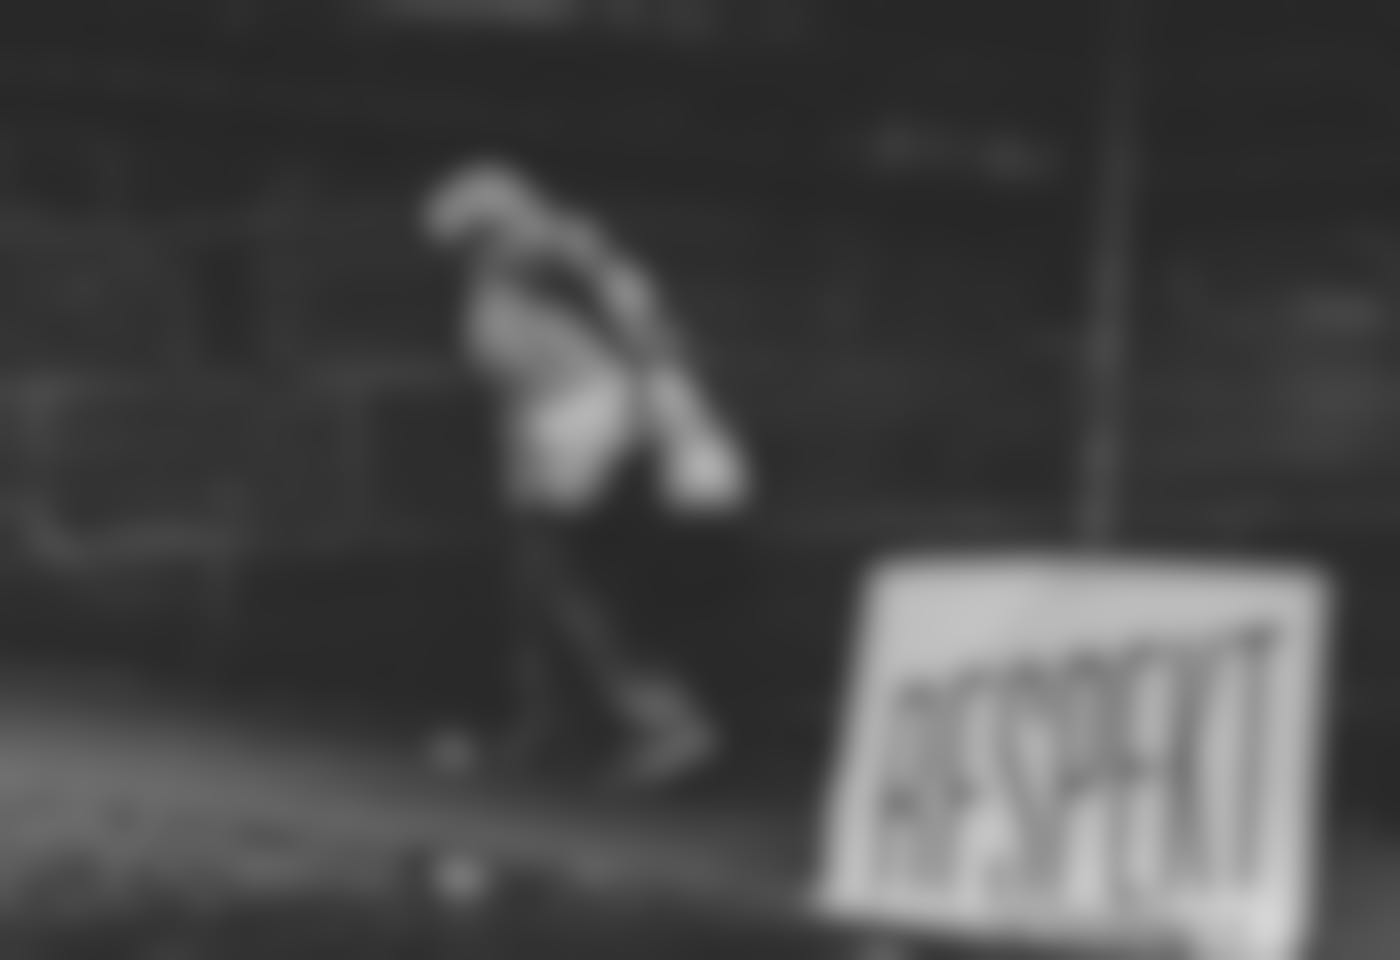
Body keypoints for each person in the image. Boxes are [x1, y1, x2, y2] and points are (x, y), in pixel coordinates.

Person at [421, 160, 755, 790]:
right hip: (550, 439)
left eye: (461, 234)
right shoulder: (496, 277)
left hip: (591, 432)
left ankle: (669, 723)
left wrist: (665, 392)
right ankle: (553, 726)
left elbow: (621, 295)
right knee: (543, 590)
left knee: (591, 585)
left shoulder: (535, 248)